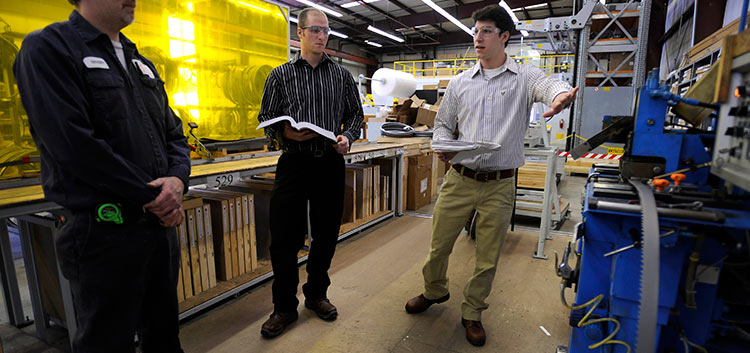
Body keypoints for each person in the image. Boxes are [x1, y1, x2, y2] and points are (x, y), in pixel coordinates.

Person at [13, 0, 191, 351]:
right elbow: (73, 145)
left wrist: (178, 180)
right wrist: (152, 196)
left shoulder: (142, 63)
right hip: (103, 232)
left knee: (165, 336)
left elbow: (174, 134)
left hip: (158, 229)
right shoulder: (49, 48)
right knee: (107, 342)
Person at [404, 4, 578, 347]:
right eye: (475, 31)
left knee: (487, 256)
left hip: (499, 184)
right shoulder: (459, 83)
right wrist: (443, 146)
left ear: (504, 37)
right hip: (459, 178)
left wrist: (560, 96)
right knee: (439, 246)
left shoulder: (524, 77)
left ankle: (472, 312)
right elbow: (441, 126)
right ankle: (433, 291)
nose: (477, 37)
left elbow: (549, 84)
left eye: (485, 31)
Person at [256, 7, 364, 339]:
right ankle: (284, 306)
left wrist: (348, 136)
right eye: (315, 30)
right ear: (299, 33)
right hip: (293, 162)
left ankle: (316, 294)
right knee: (285, 238)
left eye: (326, 31)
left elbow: (355, 116)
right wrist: (284, 133)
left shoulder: (342, 75)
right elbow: (267, 118)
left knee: (326, 234)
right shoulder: (280, 75)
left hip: (329, 162)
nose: (322, 36)